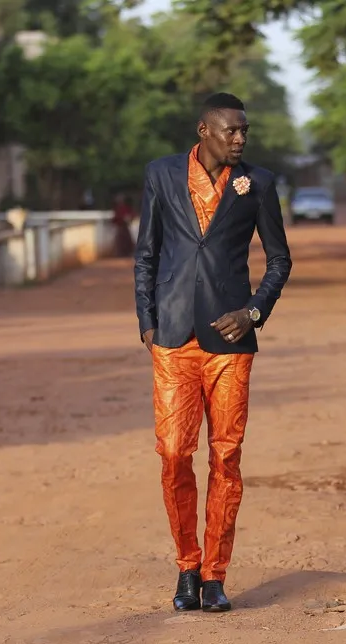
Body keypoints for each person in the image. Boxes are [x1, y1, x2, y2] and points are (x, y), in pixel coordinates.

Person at [133, 92, 292, 613]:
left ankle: (216, 576)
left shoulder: (258, 183)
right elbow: (148, 253)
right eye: (231, 131)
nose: (241, 139)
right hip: (174, 339)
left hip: (230, 344)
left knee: (226, 455)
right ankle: (187, 565)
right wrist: (147, 322)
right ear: (204, 131)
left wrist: (252, 312)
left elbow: (278, 260)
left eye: (245, 131)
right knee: (175, 454)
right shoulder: (161, 174)